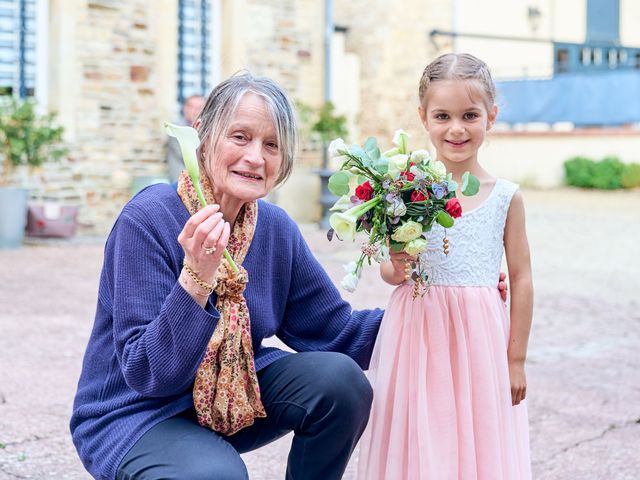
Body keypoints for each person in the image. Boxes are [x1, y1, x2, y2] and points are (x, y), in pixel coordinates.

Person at [70, 72, 384, 480]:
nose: (256, 157)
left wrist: (438, 305)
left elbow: (336, 331)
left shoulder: (274, 228)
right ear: (202, 134)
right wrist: (196, 278)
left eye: (272, 144)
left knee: (341, 384)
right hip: (136, 411)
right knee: (216, 475)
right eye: (240, 137)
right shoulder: (147, 219)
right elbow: (149, 372)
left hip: (231, 392)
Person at [357, 53, 533, 479]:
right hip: (417, 332)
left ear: (491, 116)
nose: (456, 128)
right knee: (418, 432)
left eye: (470, 115)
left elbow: (523, 277)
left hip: (480, 339)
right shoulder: (404, 189)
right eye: (443, 115)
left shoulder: (506, 197)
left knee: (476, 437)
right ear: (424, 117)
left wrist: (516, 359)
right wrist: (397, 267)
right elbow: (388, 269)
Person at [166, 94, 207, 182]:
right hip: (181, 178)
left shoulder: (207, 129)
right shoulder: (175, 128)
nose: (194, 111)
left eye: (198, 108)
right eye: (191, 106)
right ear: (184, 108)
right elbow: (186, 154)